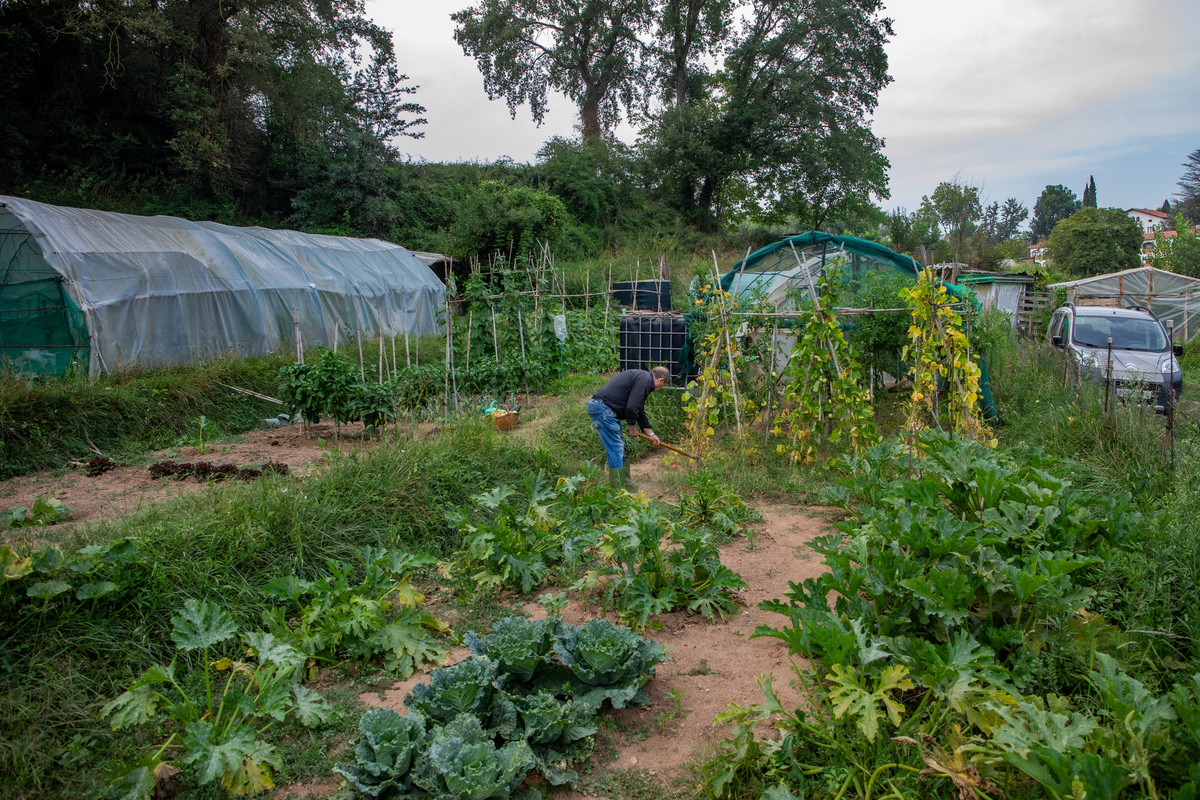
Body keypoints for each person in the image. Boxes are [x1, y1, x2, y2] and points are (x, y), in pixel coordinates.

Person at [588, 365, 670, 490]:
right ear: (661, 380)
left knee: (618, 445)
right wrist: (632, 427)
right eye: (663, 386)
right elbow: (632, 407)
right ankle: (618, 490)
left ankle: (626, 483)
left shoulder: (643, 379)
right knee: (616, 447)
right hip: (603, 409)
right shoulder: (644, 379)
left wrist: (650, 433)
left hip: (604, 409)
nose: (660, 388)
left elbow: (638, 409)